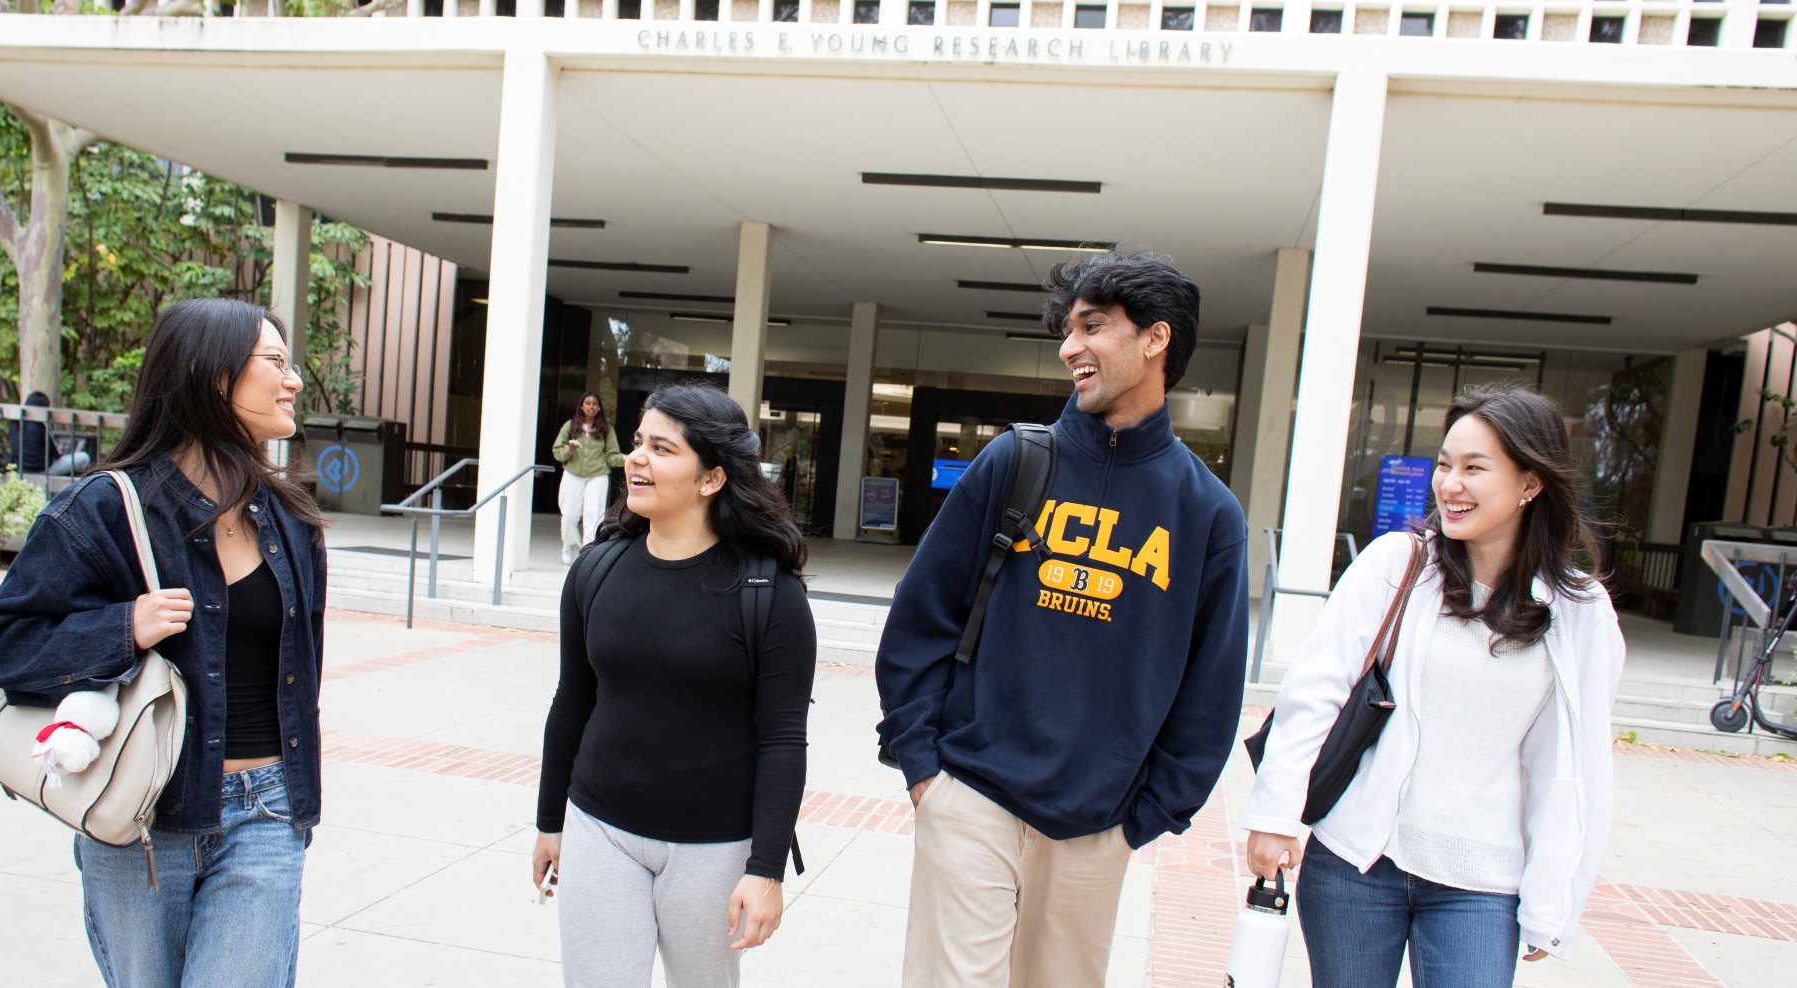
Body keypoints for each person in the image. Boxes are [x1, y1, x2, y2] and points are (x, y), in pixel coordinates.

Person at [875, 251, 1250, 988]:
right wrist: (924, 768)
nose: (1070, 347)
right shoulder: (1015, 461)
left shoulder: (1206, 513)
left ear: (1155, 340)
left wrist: (1145, 817)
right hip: (971, 792)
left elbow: (1213, 686)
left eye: (1093, 327)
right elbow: (921, 616)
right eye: (1068, 329)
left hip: (1096, 824)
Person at [0, 297, 327, 988]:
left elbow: (300, 677)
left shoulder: (290, 518)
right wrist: (121, 628)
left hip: (268, 810)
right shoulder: (104, 508)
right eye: (276, 363)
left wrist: (299, 807)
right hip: (141, 818)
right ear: (210, 375)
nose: (294, 381)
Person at [1243, 386, 1626, 988]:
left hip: (1482, 882)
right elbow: (1315, 693)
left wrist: (1553, 902)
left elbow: (1572, 767)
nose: (1450, 484)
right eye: (1445, 465)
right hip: (1355, 863)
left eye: (1475, 468)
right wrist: (1275, 815)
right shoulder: (1399, 564)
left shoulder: (1580, 612)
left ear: (1531, 484)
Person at [533, 382, 817, 988]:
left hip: (713, 850)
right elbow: (571, 703)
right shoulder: (596, 569)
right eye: (638, 442)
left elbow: (783, 740)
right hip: (599, 829)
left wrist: (766, 871)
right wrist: (550, 822)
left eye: (661, 449)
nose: (636, 458)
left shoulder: (771, 595)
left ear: (711, 478)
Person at [554, 391, 625, 564]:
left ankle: (586, 552)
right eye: (588, 403)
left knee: (593, 514)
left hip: (597, 475)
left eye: (594, 403)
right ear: (581, 406)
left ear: (599, 407)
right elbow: (557, 452)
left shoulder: (606, 429)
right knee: (569, 515)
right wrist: (569, 450)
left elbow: (611, 455)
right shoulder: (570, 426)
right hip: (573, 473)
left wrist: (625, 459)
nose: (591, 406)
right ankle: (568, 545)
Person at [8, 390, 92, 476]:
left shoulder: (14, 425)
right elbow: (55, 454)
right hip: (42, 471)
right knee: (84, 457)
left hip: (20, 470)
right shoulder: (40, 427)